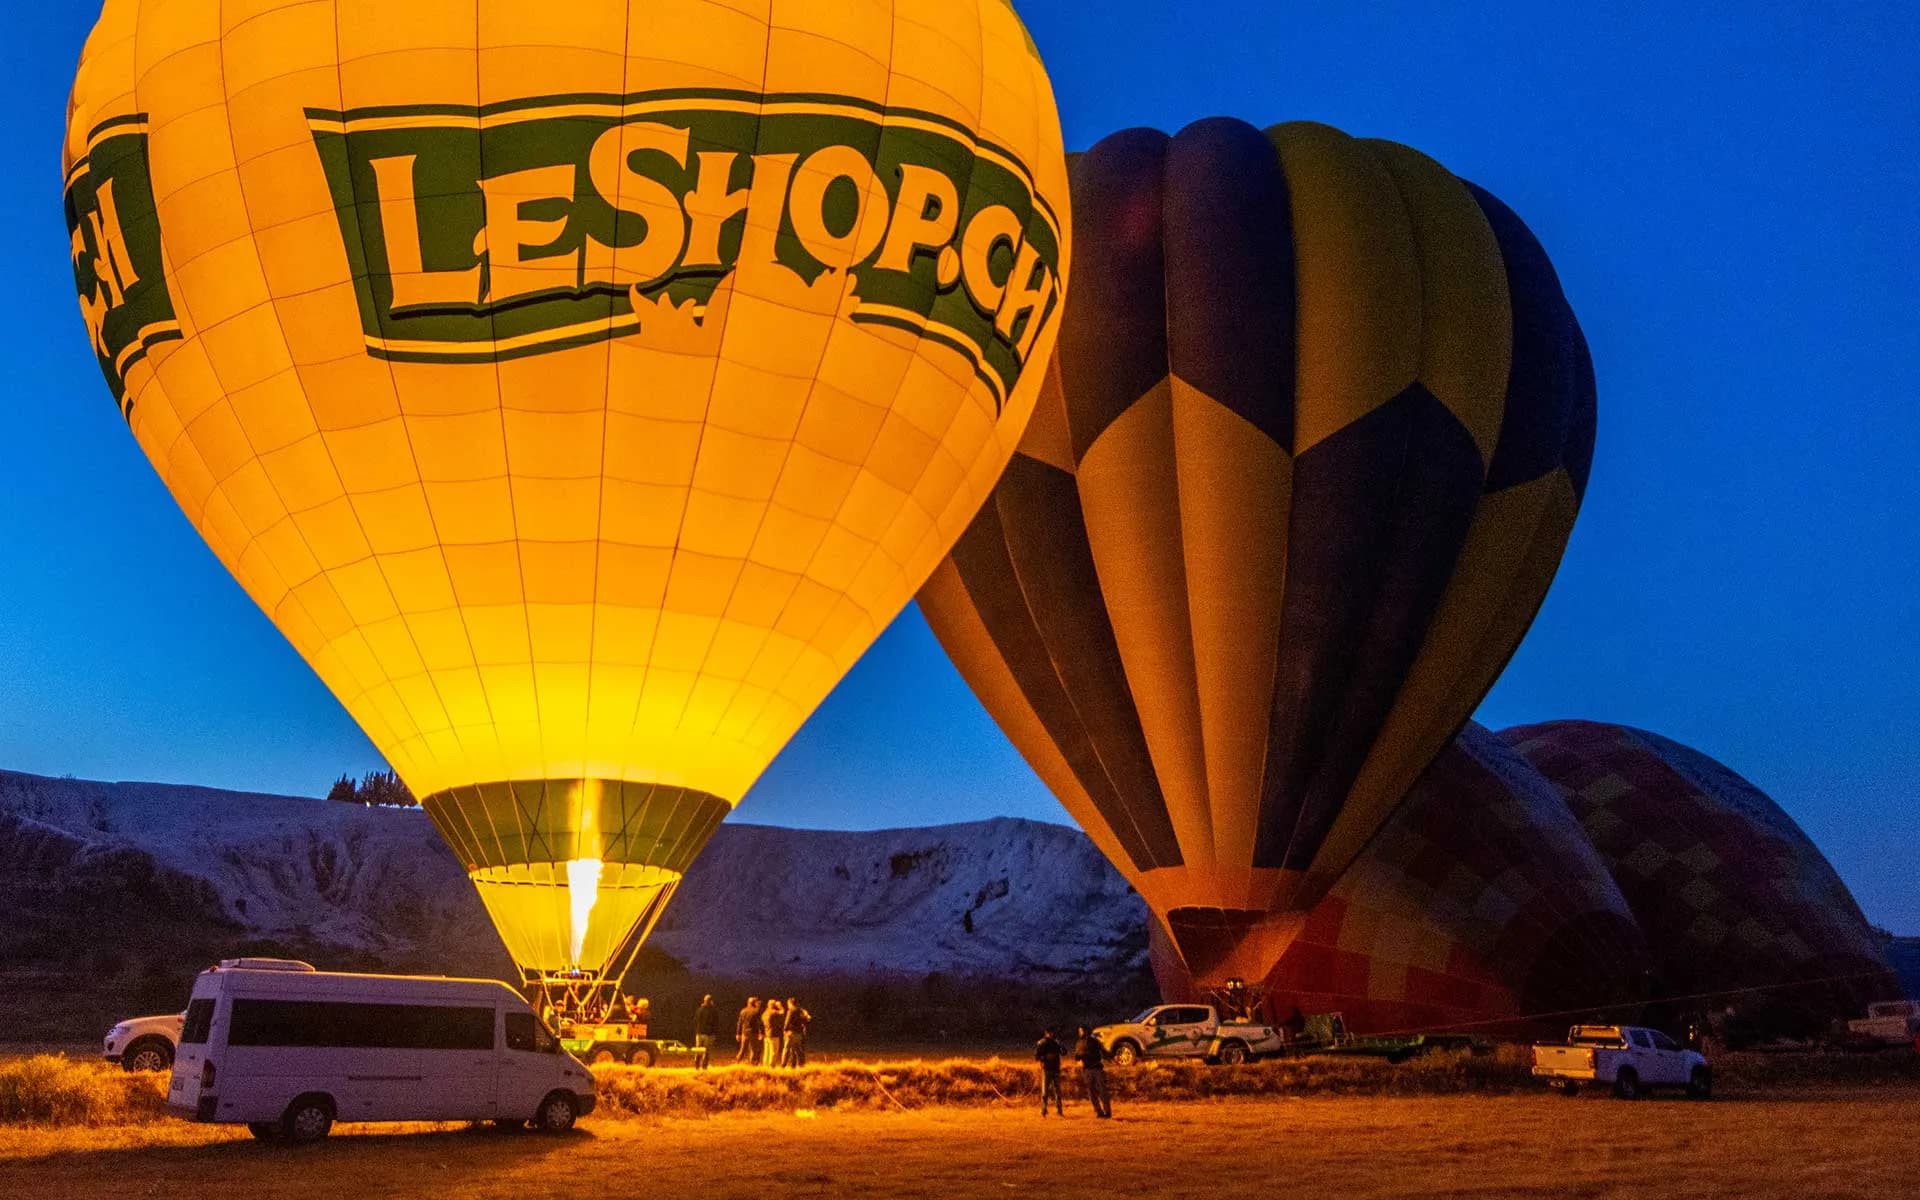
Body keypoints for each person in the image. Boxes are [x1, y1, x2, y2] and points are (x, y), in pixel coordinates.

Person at [1073, 1026, 1110, 1118]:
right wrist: (1079, 1058)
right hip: (1087, 1069)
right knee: (1091, 1092)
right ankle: (1099, 1112)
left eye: (1081, 1031)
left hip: (1096, 1068)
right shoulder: (1079, 1043)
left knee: (1102, 1091)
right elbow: (1077, 1056)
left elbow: (1102, 1051)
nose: (1080, 1032)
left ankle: (1107, 1112)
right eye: (1079, 1031)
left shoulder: (1094, 1041)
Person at [1034, 1028, 1064, 1116]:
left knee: (1058, 1091)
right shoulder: (1042, 1043)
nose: (1050, 1034)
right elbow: (1036, 1056)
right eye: (1049, 1033)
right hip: (1046, 1069)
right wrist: (1045, 1058)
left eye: (1052, 1033)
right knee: (1044, 1092)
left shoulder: (1056, 1043)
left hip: (1056, 1069)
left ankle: (1059, 1110)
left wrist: (1061, 1046)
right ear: (1046, 1034)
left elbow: (1064, 1052)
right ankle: (1043, 1110)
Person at [781, 997, 810, 1067]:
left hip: (791, 1033)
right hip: (799, 1033)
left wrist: (784, 1030)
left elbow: (787, 1022)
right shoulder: (801, 1011)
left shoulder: (791, 1011)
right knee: (798, 1050)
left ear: (790, 1003)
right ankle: (800, 1065)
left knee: (786, 1049)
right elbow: (806, 1020)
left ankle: (783, 1065)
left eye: (788, 1003)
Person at [692, 994, 719, 1071]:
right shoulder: (713, 1011)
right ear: (711, 1001)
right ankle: (704, 1067)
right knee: (706, 1051)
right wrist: (714, 1033)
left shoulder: (699, 1010)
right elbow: (715, 1023)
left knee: (698, 1050)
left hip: (699, 1033)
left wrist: (697, 1031)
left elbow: (695, 1021)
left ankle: (696, 1067)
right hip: (709, 1034)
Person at [736, 997, 763, 1064]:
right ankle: (752, 1064)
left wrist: (738, 1033)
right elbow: (759, 1023)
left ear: (748, 1003)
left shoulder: (743, 1011)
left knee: (742, 1049)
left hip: (744, 1033)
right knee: (753, 1050)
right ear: (754, 1003)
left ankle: (737, 1062)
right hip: (753, 1032)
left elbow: (739, 1023)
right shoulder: (756, 1011)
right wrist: (761, 1033)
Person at [762, 999, 786, 1067]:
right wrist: (780, 1006)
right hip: (773, 1034)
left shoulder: (765, 1013)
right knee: (774, 1052)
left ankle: (765, 1066)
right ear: (774, 1005)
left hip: (766, 1034)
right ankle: (771, 1066)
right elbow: (782, 1012)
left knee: (766, 1052)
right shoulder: (774, 1012)